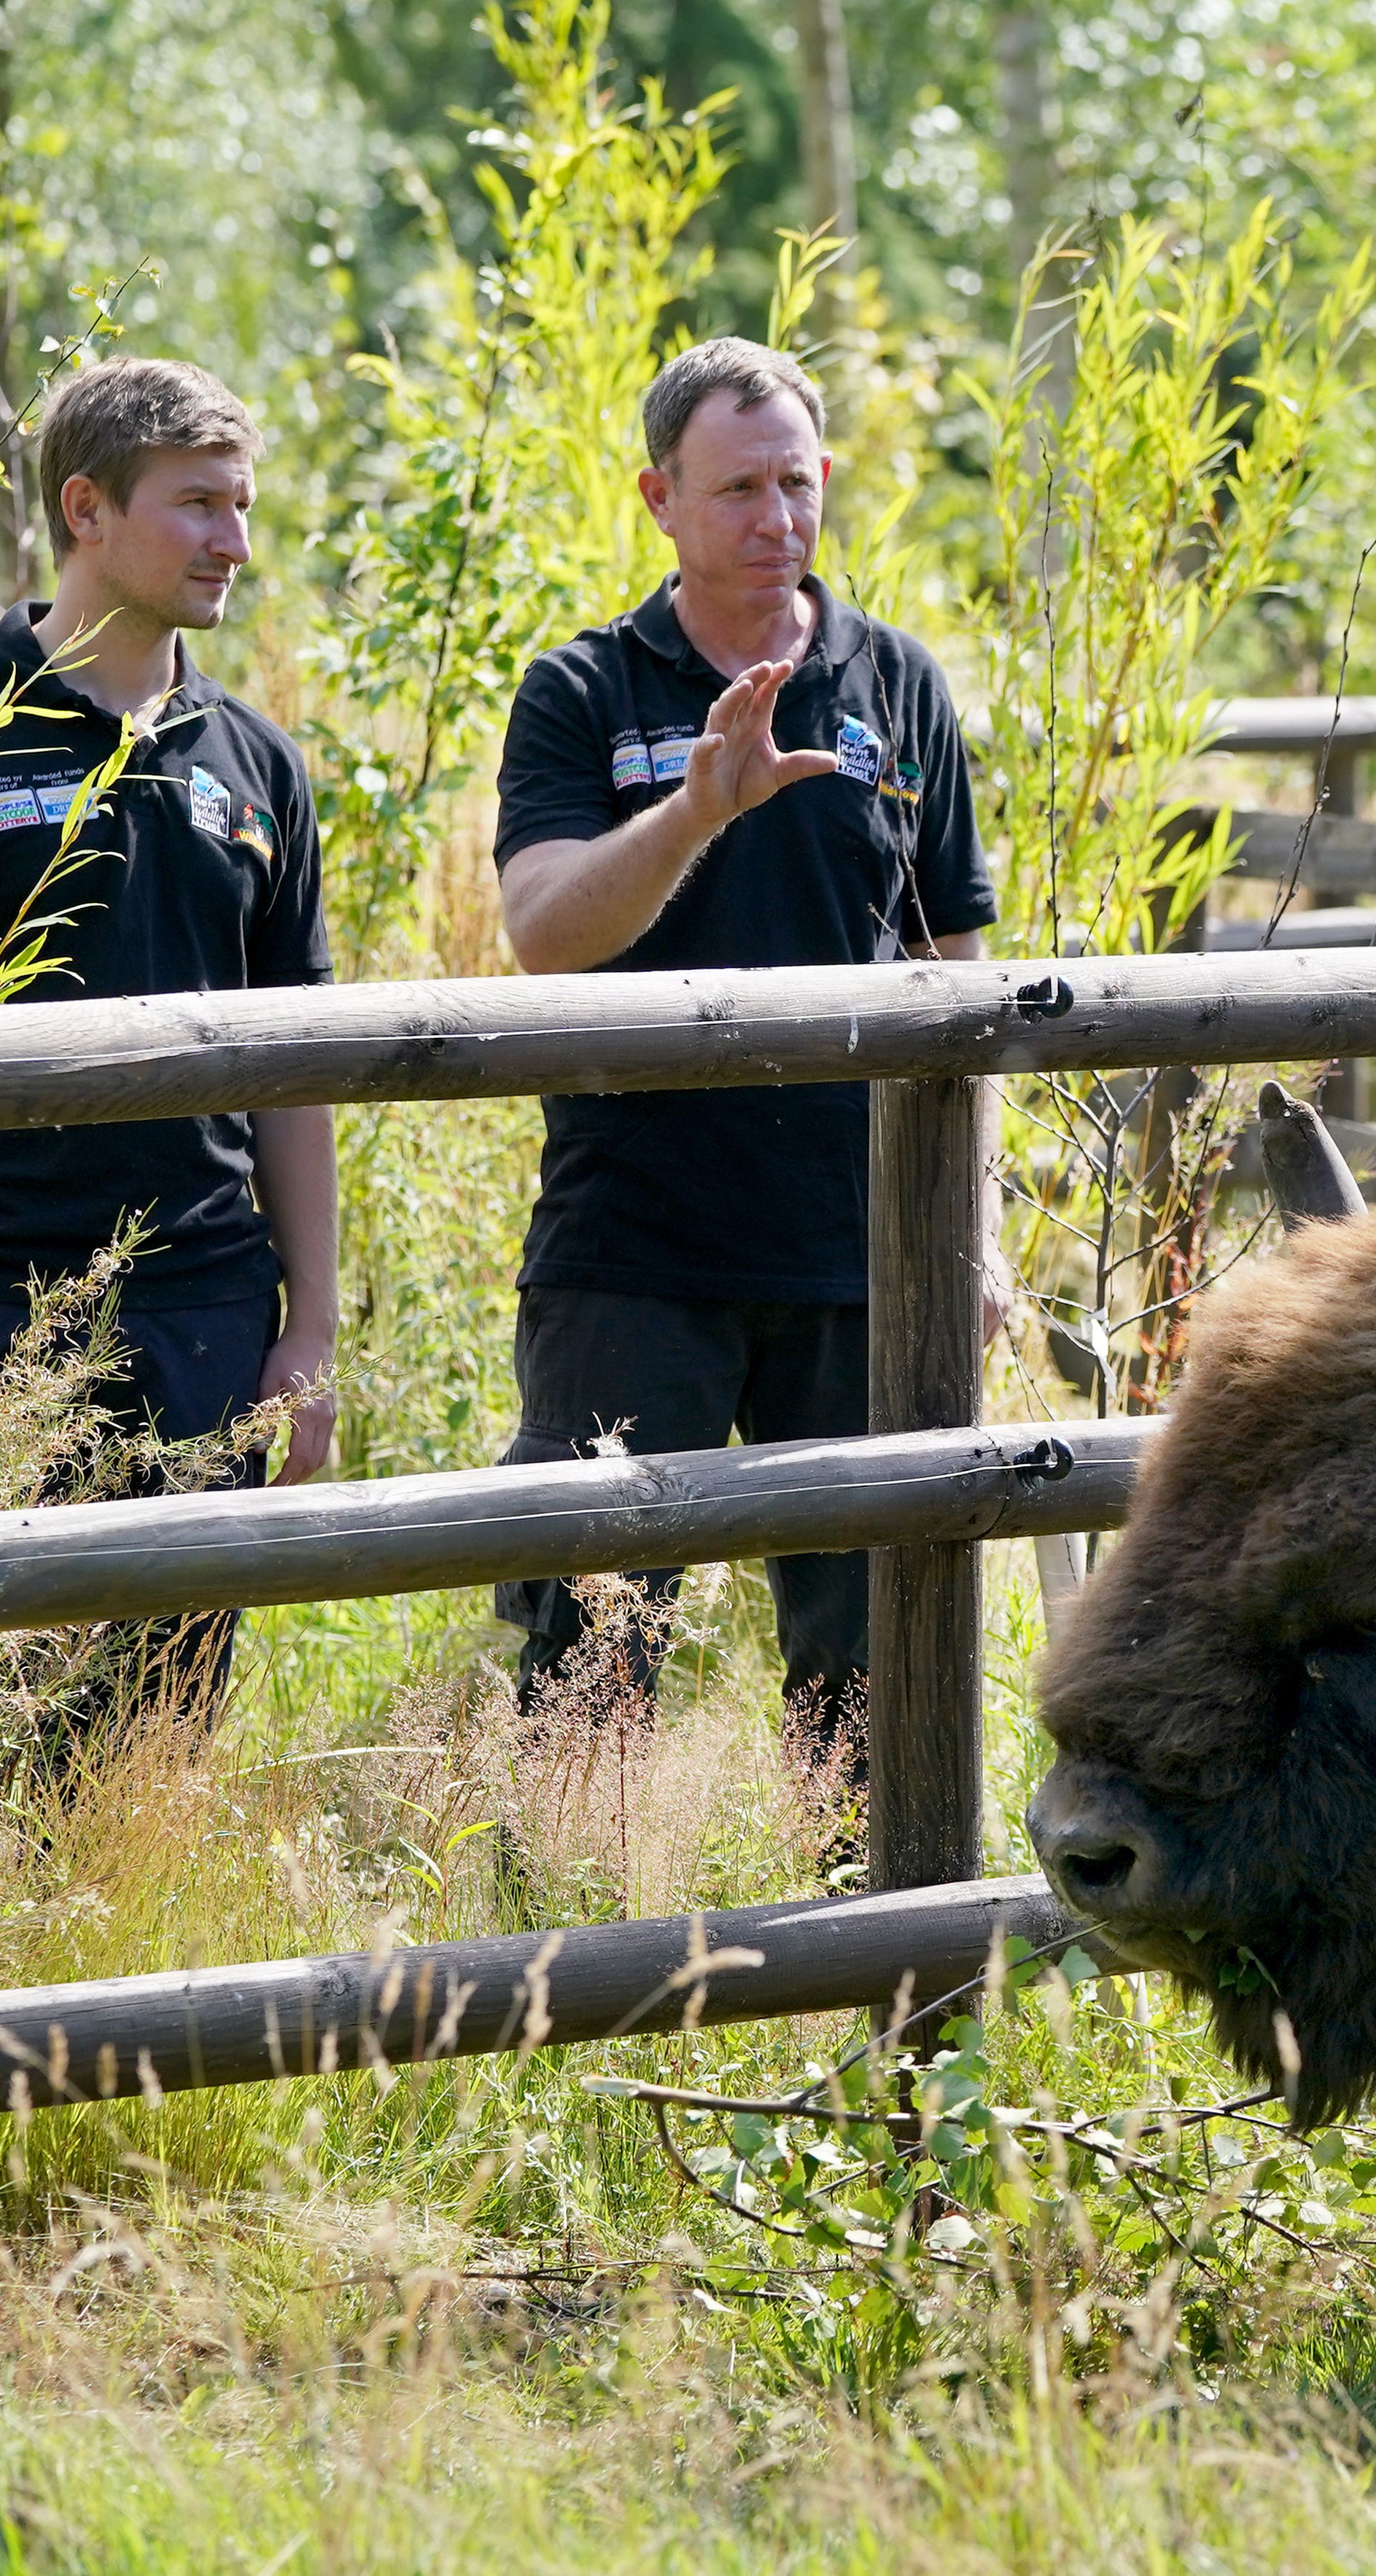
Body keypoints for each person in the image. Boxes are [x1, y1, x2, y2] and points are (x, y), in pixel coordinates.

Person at [489, 338, 998, 1762]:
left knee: (871, 1651)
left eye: (796, 483)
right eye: (737, 491)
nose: (775, 518)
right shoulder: (585, 690)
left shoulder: (897, 684)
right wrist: (698, 809)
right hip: (635, 1245)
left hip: (860, 1247)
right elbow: (541, 931)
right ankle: (568, 1948)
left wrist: (978, 1237)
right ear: (659, 497)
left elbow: (959, 970)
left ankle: (877, 1956)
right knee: (595, 1635)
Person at [0, 356, 337, 1747]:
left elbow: (301, 1076)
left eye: (242, 505)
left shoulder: (256, 764)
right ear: (86, 510)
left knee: (151, 1735)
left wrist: (310, 1329)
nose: (233, 540)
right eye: (198, 507)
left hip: (201, 1312)